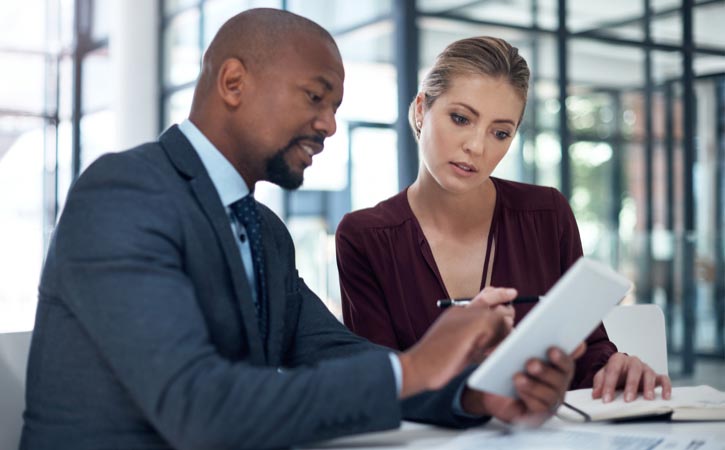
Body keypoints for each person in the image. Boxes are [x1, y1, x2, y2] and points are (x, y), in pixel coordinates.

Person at [21, 11, 582, 450]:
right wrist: (417, 364)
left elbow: (341, 356)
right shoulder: (124, 192)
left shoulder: (263, 231)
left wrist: (478, 396)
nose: (330, 125)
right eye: (316, 97)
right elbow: (198, 408)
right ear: (234, 82)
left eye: (336, 106)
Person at [336, 36, 672, 411]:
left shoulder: (547, 214)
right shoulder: (364, 237)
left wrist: (612, 369)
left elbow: (586, 349)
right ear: (420, 109)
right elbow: (379, 380)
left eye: (500, 132)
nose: (477, 147)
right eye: (461, 118)